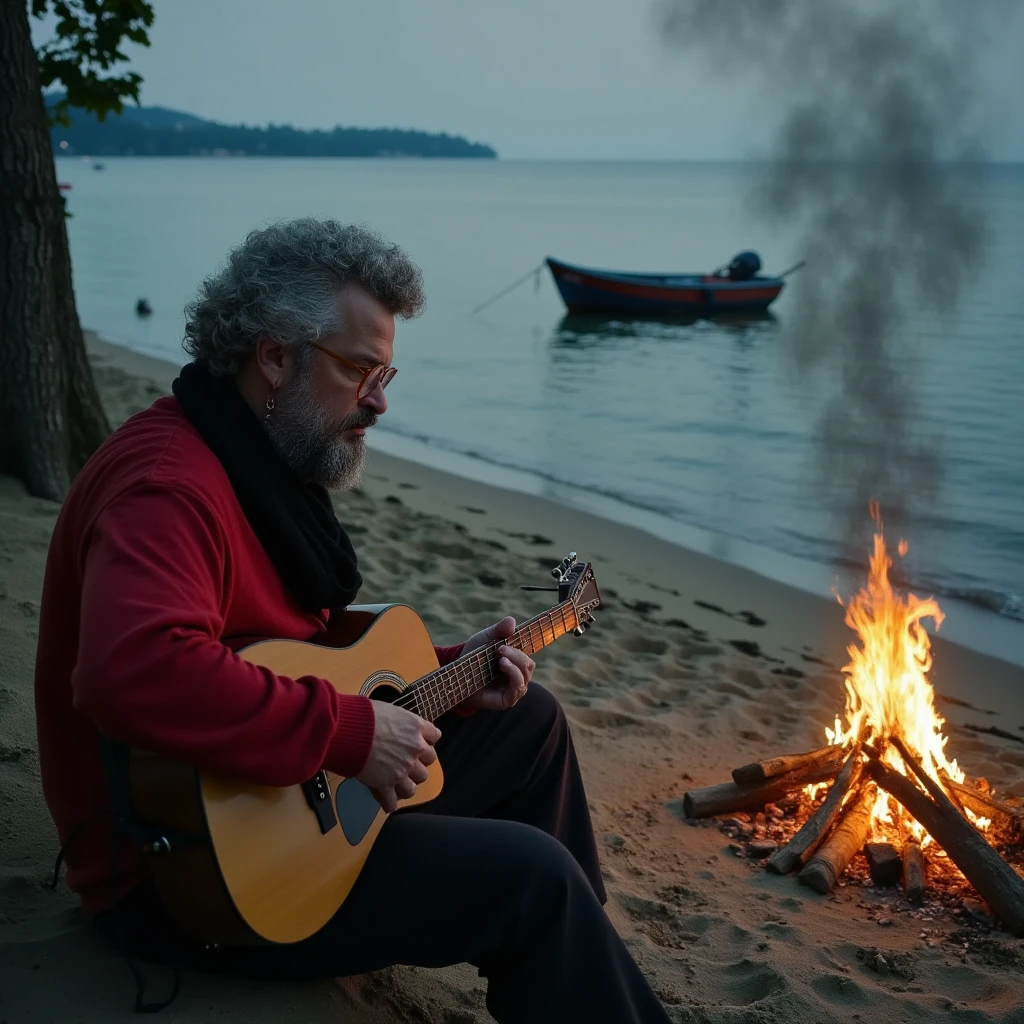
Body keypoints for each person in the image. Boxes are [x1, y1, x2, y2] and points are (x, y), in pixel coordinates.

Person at [34, 218, 672, 1024]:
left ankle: (574, 972)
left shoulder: (254, 458)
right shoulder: (169, 486)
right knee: (531, 876)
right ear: (272, 357)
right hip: (189, 879)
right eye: (358, 371)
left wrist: (452, 672)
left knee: (531, 723)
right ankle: (568, 952)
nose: (377, 402)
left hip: (278, 803)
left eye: (387, 374)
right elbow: (134, 671)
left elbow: (291, 656)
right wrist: (348, 733)